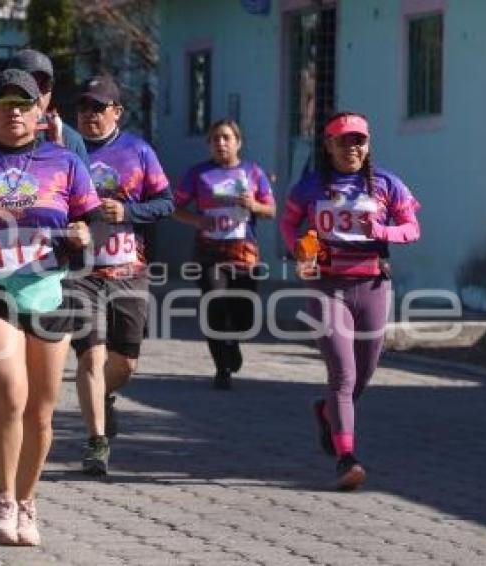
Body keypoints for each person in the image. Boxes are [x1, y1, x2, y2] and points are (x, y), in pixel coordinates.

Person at [0, 68, 100, 545]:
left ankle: (27, 505)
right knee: (9, 392)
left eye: (23, 103)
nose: (14, 111)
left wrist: (85, 237)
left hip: (48, 288)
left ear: (41, 111)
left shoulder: (66, 162)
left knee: (42, 412)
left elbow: (90, 222)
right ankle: (2, 503)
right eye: (4, 103)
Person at [279, 112, 421, 491]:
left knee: (364, 373)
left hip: (373, 285)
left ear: (368, 144)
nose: (352, 148)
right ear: (328, 145)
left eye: (358, 140)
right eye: (343, 141)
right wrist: (298, 247)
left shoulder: (387, 184)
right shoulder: (310, 187)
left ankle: (326, 411)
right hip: (327, 286)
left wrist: (381, 229)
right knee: (343, 374)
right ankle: (347, 458)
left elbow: (412, 228)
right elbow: (288, 222)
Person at [70, 75, 172, 475]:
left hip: (129, 268)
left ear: (117, 112)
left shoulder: (139, 151)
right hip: (80, 272)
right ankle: (96, 444)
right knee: (91, 356)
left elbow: (165, 203)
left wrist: (128, 212)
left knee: (124, 364)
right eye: (84, 107)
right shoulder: (63, 152)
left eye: (98, 107)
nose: (89, 115)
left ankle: (103, 398)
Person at [172, 119, 276, 390]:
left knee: (245, 312)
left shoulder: (253, 172)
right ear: (209, 144)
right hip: (209, 250)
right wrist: (197, 220)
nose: (220, 143)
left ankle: (233, 342)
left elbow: (272, 210)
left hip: (244, 251)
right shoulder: (198, 174)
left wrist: (253, 205)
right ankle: (222, 368)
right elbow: (175, 207)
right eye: (215, 138)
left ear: (238, 142)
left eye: (226, 138)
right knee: (214, 305)